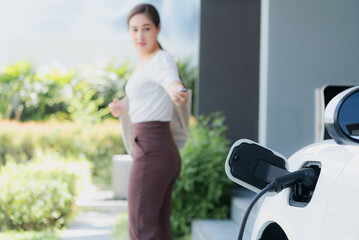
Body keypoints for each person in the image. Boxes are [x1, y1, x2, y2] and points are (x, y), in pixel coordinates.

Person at [108, 3, 189, 240]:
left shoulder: (161, 59)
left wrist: (178, 92)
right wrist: (122, 107)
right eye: (134, 30)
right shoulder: (144, 61)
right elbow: (146, 99)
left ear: (158, 28)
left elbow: (171, 83)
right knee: (158, 230)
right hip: (158, 149)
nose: (139, 36)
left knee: (141, 228)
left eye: (146, 28)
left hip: (152, 149)